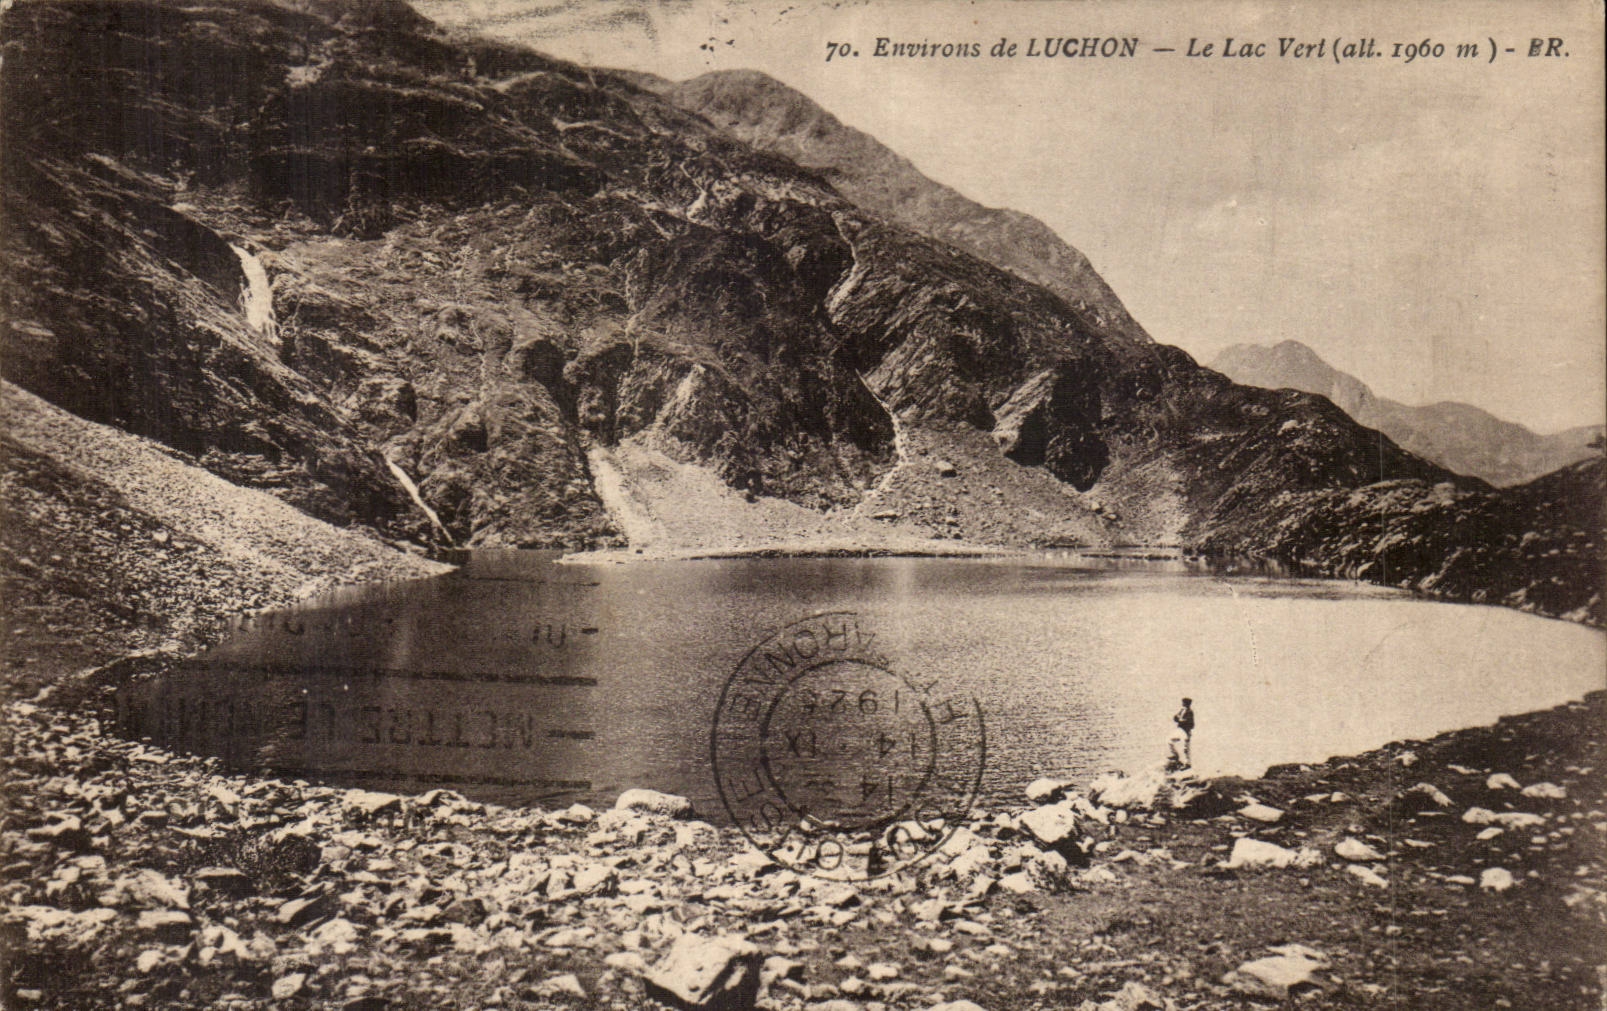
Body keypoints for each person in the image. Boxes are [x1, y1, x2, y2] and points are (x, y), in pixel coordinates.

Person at [1168, 698, 1195, 771]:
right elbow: (1176, 718)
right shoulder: (1182, 710)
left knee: (1185, 747)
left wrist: (1182, 721)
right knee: (1169, 740)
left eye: (1184, 702)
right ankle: (1175, 755)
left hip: (1185, 731)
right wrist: (1177, 718)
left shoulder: (1190, 712)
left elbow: (1192, 724)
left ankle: (1187, 764)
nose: (1182, 703)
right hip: (1179, 730)